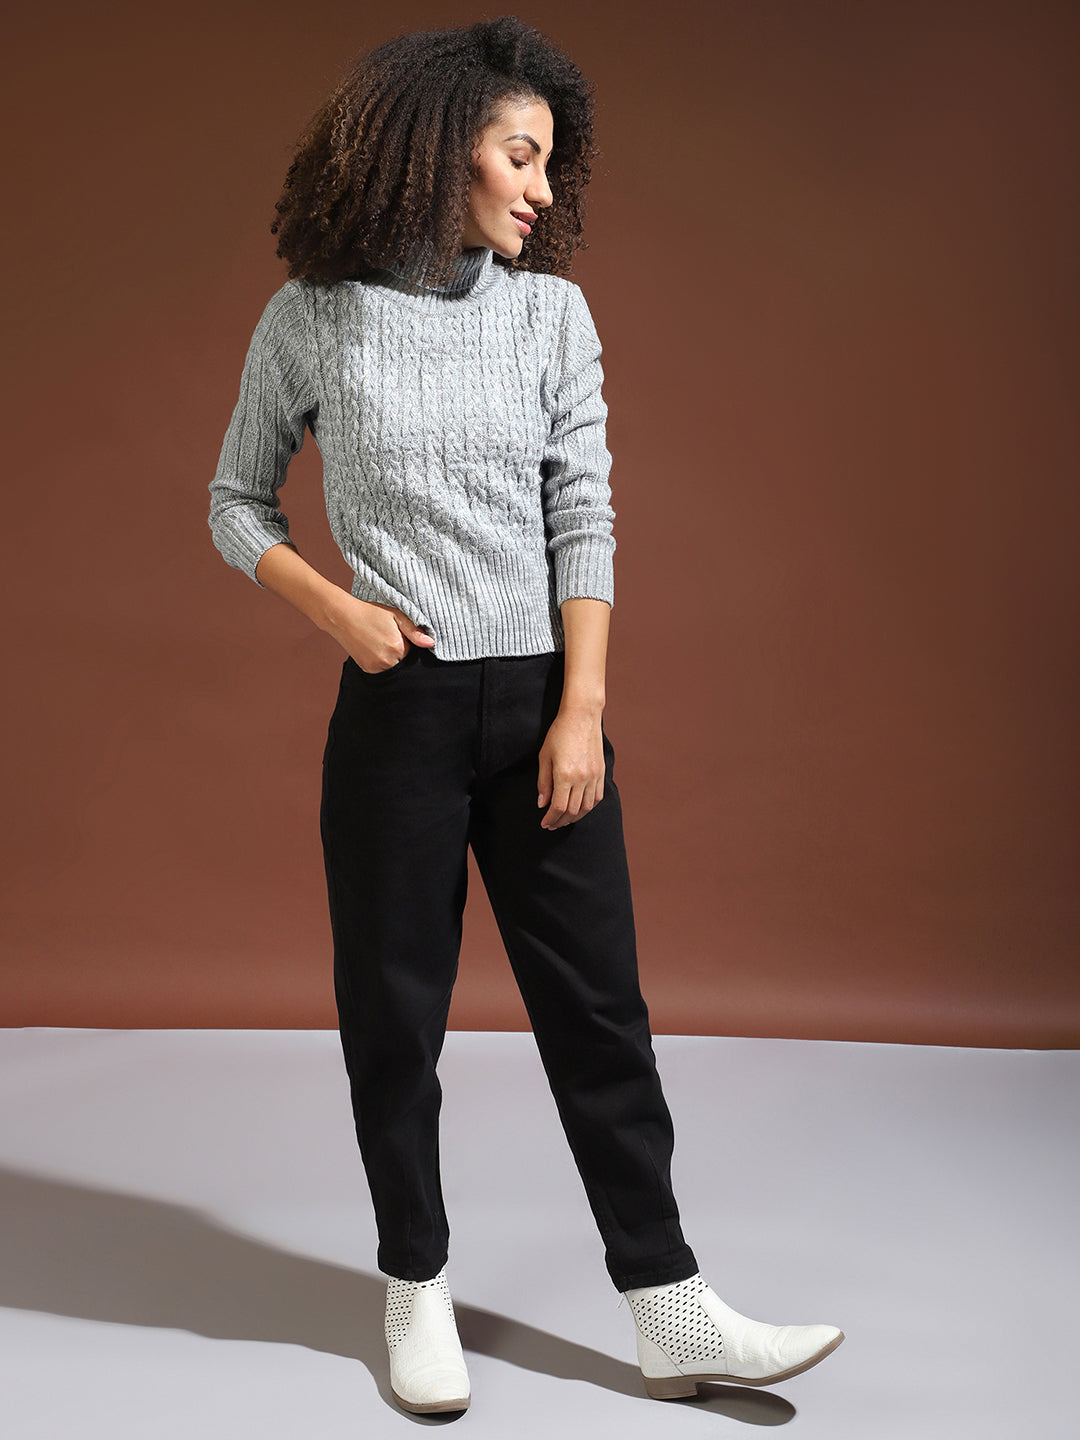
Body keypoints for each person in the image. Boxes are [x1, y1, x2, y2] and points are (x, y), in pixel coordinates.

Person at [208, 15, 844, 1417]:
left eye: (551, 161)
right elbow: (234, 501)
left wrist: (582, 709)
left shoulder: (552, 315)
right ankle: (415, 1288)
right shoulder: (313, 315)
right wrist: (339, 612)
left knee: (600, 1012)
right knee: (395, 1017)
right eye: (522, 155)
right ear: (444, 151)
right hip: (399, 711)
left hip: (545, 707)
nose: (544, 189)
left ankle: (670, 1308)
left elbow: (584, 514)